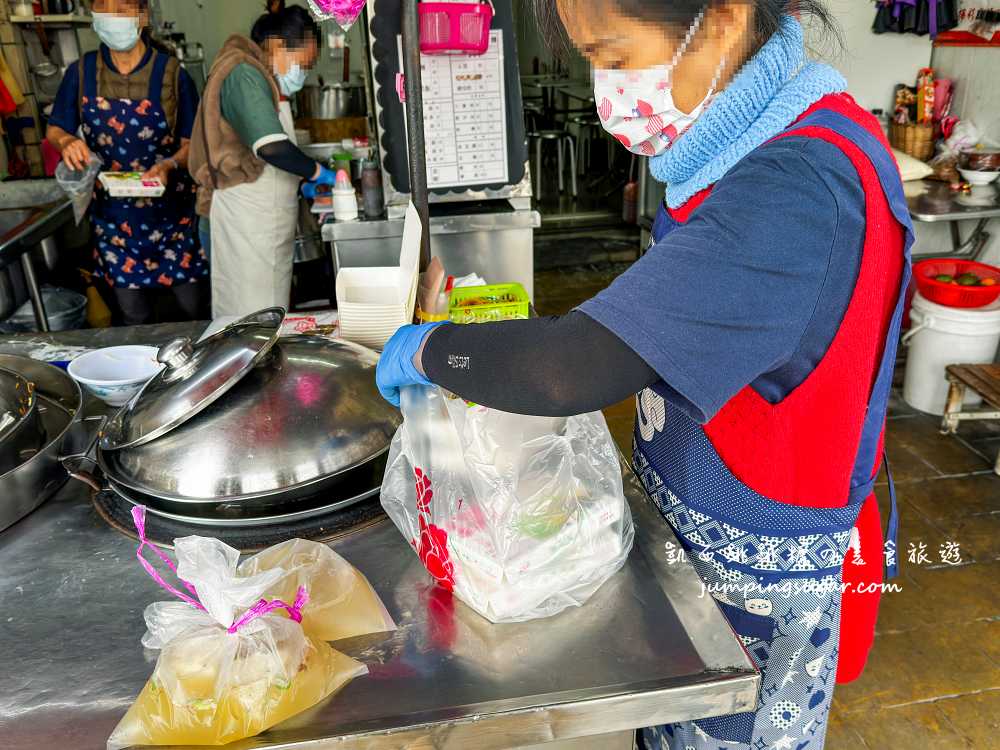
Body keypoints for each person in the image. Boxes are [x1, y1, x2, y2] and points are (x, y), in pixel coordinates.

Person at [376, 1, 913, 749]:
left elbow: (571, 368)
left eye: (616, 58)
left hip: (751, 593)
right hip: (695, 556)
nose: (605, 92)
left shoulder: (795, 188)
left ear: (722, 20)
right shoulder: (741, 147)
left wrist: (432, 351)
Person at [46, 0, 206, 326]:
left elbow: (194, 144)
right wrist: (66, 142)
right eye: (103, 8)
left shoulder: (173, 74)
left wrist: (170, 165)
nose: (111, 18)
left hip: (173, 218)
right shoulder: (81, 72)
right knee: (133, 315)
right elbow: (55, 129)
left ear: (142, 16)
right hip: (113, 221)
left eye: (121, 9)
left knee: (194, 310)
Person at [189, 1, 336, 318]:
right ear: (277, 46)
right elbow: (271, 148)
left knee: (266, 316)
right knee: (246, 320)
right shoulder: (243, 73)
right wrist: (317, 173)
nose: (304, 73)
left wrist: (302, 183)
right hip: (242, 220)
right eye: (304, 63)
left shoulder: (262, 79)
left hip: (260, 224)